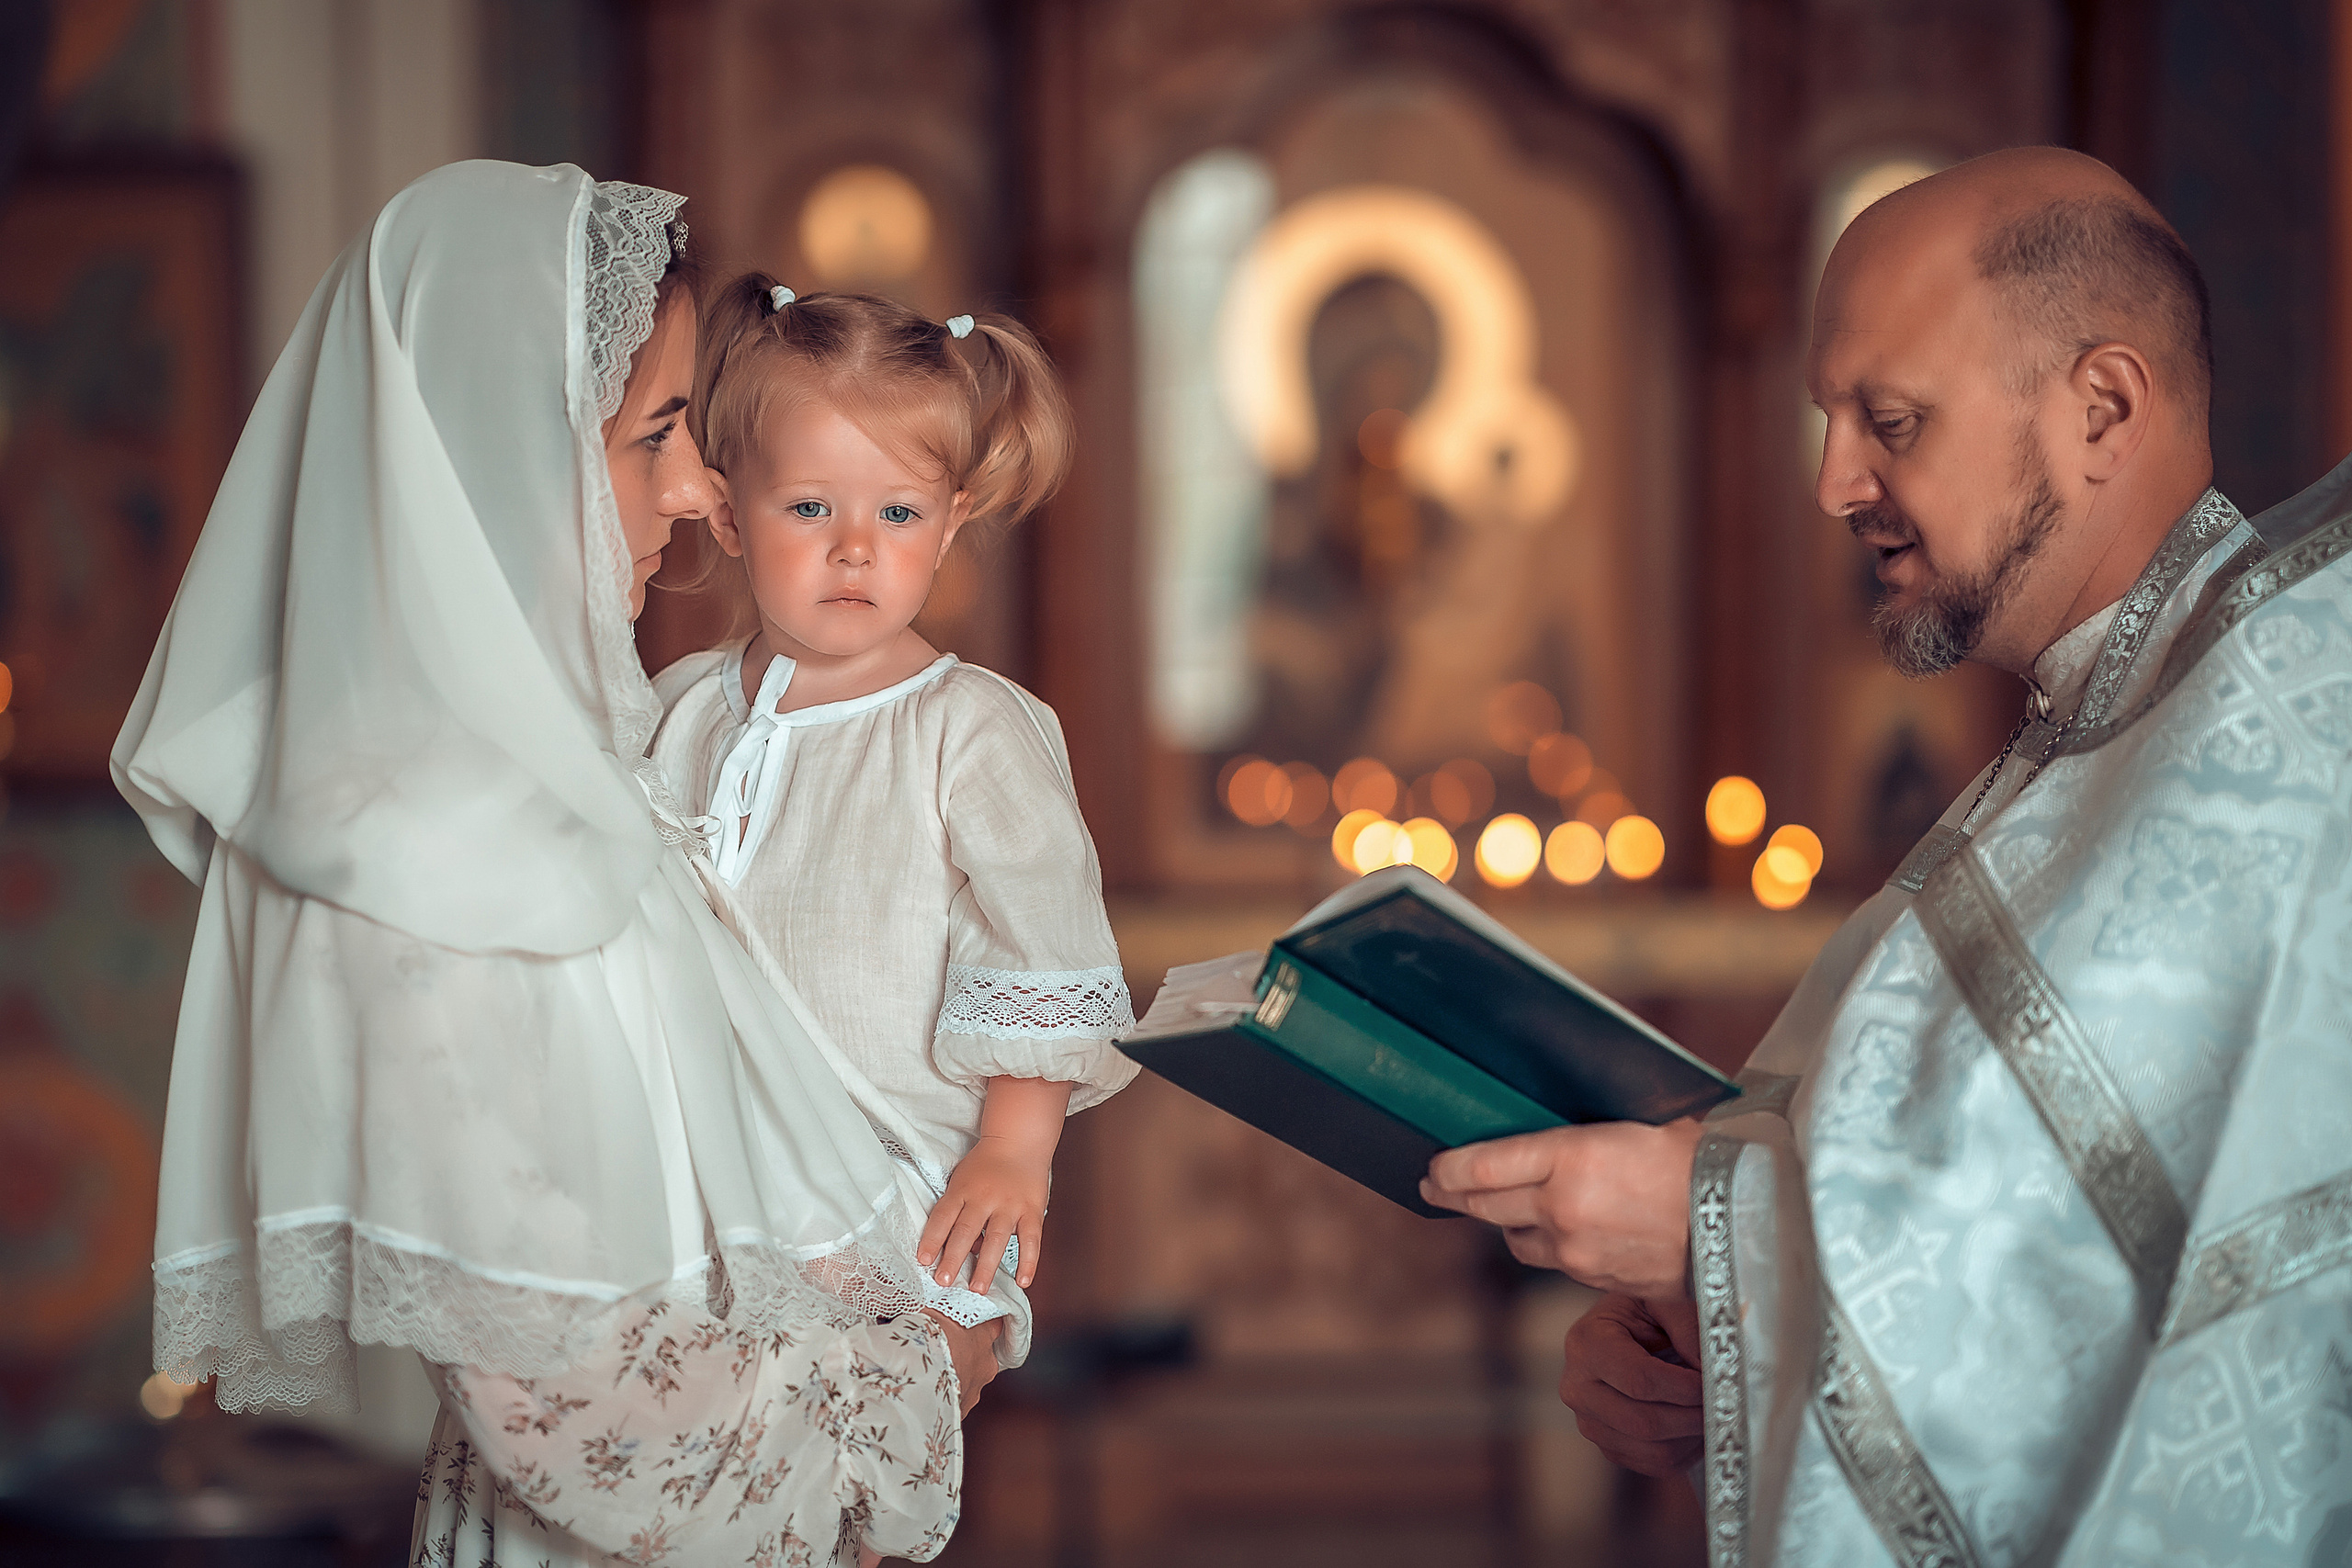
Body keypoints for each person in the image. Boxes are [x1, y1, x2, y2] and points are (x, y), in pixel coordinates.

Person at [1419, 145, 2352, 1564]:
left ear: (2103, 408)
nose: (1835, 480)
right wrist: (1704, 1333)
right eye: (1831, 418)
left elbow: (2252, 1326)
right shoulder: (2093, 742)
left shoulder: (2288, 744)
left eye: (1892, 418)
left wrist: (1714, 1238)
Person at [112, 160, 1004, 1567]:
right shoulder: (397, 841)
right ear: (488, 449)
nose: (703, 484)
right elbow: (573, 1400)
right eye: (655, 431)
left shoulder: (591, 760)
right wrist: (930, 1371)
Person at [647, 280, 1136, 1349]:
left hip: (887, 1172)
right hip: (694, 1166)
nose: (856, 546)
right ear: (730, 514)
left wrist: (1014, 1149)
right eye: (811, 507)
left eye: (899, 513)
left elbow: (1038, 951)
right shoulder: (681, 707)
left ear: (951, 521)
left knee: (835, 1456)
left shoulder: (968, 729)